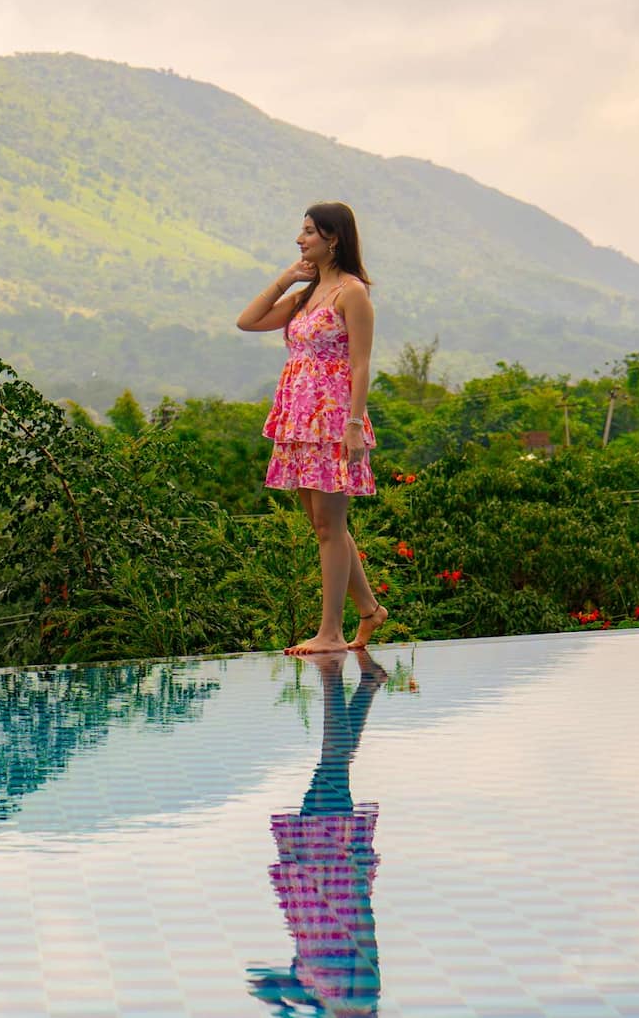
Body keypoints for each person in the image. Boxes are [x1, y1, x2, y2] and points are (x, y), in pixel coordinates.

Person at [237, 201, 388, 654]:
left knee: (329, 525)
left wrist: (355, 425)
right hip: (298, 419)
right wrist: (287, 278)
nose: (300, 240)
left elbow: (361, 364)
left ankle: (331, 632)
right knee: (324, 525)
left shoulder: (351, 293)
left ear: (333, 238)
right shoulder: (307, 294)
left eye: (308, 232)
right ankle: (370, 612)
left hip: (333, 420)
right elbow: (248, 321)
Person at [246, 650, 389, 1016]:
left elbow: (274, 981)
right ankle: (332, 675)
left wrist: (282, 1000)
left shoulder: (325, 998)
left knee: (334, 765)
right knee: (332, 763)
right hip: (332, 860)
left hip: (320, 863)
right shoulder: (355, 996)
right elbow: (361, 926)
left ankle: (368, 683)